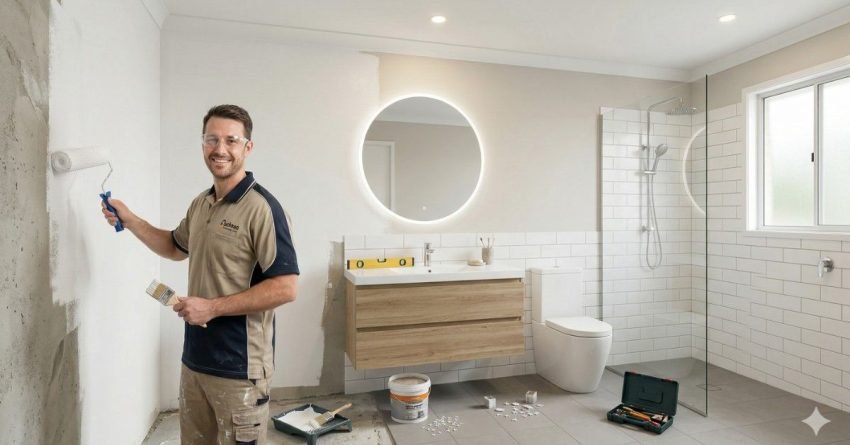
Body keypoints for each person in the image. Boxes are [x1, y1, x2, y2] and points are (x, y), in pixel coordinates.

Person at [102, 104, 299, 444]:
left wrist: (212, 308)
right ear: (203, 144)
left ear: (247, 147)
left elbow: (285, 288)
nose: (219, 149)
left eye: (231, 140)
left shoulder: (263, 208)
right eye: (212, 139)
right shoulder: (202, 204)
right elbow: (175, 247)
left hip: (240, 369)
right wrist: (131, 219)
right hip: (195, 361)